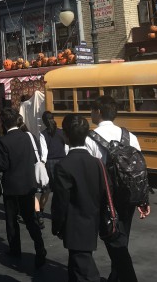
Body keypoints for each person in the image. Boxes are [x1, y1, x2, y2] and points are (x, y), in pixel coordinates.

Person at [85, 95, 150, 282]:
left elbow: (89, 172)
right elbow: (140, 169)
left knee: (113, 240)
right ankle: (116, 277)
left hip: (105, 197)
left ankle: (127, 277)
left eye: (92, 110)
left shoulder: (90, 139)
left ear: (98, 112)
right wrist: (143, 199)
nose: (90, 114)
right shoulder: (130, 136)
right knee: (122, 238)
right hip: (129, 196)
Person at [52, 114, 107, 282]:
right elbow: (105, 191)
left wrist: (57, 225)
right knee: (77, 265)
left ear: (66, 135)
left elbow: (61, 201)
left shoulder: (63, 166)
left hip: (74, 224)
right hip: (93, 220)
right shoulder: (97, 163)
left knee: (85, 270)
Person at [0, 108, 47, 268]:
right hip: (28, 182)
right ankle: (40, 247)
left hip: (11, 185)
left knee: (11, 220)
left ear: (4, 123)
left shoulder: (3, 141)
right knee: (30, 218)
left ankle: (15, 249)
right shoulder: (28, 137)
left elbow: (3, 165)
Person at [39, 111, 67, 219]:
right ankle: (61, 212)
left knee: (46, 189)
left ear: (44, 122)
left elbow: (44, 151)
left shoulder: (43, 134)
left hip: (50, 162)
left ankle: (40, 212)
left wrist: (42, 163)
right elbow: (66, 147)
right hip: (62, 161)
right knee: (61, 189)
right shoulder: (61, 132)